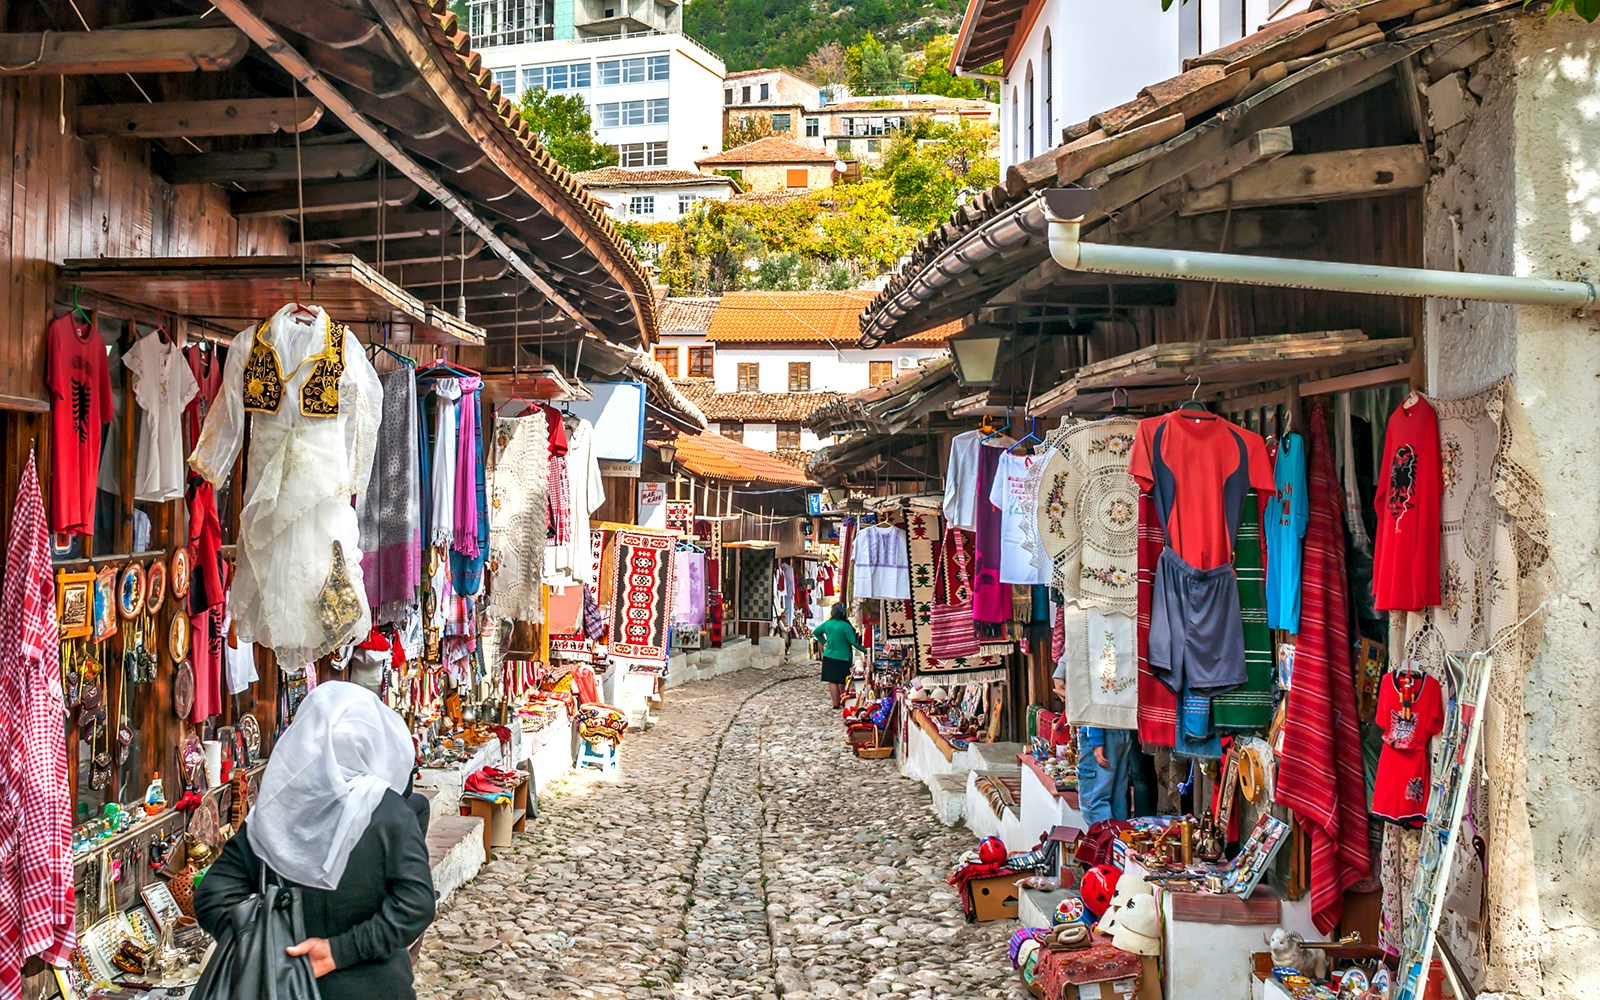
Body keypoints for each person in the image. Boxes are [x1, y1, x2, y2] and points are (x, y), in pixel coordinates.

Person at [195, 681, 436, 1000]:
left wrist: (275, 947)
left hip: (277, 988)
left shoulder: (274, 814)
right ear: (374, 743)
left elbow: (212, 897)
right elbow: (416, 905)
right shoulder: (389, 812)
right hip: (374, 989)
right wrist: (339, 951)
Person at [813, 602, 867, 709]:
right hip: (843, 657)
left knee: (832, 680)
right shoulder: (845, 626)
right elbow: (854, 642)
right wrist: (865, 651)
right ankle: (843, 700)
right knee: (842, 680)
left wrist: (824, 642)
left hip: (829, 656)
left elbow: (816, 632)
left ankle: (835, 703)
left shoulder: (828, 624)